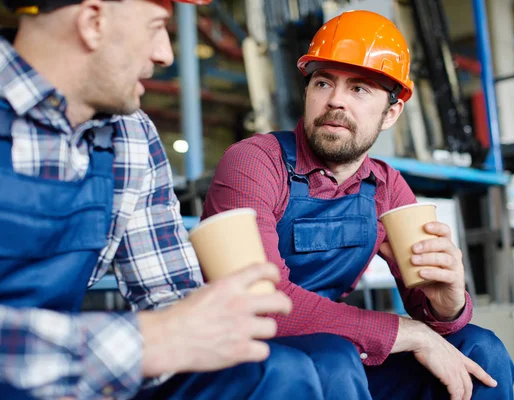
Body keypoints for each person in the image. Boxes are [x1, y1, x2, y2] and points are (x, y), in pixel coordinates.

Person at [0, 1, 372, 399]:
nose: (164, 54)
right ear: (93, 22)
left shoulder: (129, 135)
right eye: (157, 26)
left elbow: (170, 294)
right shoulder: (257, 159)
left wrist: (213, 321)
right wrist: (146, 343)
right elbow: (159, 337)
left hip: (81, 371)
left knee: (286, 369)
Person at [203, 9, 514, 400]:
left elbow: (432, 317)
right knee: (333, 357)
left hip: (334, 352)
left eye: (360, 89)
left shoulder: (385, 186)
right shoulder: (254, 161)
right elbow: (258, 305)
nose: (335, 101)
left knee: (480, 350)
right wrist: (405, 332)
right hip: (253, 358)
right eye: (322, 83)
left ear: (391, 113)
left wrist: (448, 304)